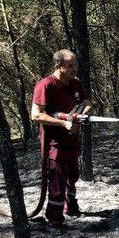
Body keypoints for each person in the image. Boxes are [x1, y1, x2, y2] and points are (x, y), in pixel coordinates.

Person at [31, 49, 92, 227]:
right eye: (70, 65)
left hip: (72, 139)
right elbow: (36, 115)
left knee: (72, 175)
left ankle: (71, 207)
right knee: (57, 179)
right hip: (54, 142)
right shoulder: (45, 85)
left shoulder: (75, 83)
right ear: (59, 66)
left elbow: (87, 104)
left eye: (76, 64)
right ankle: (55, 220)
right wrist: (63, 122)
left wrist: (81, 114)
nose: (75, 68)